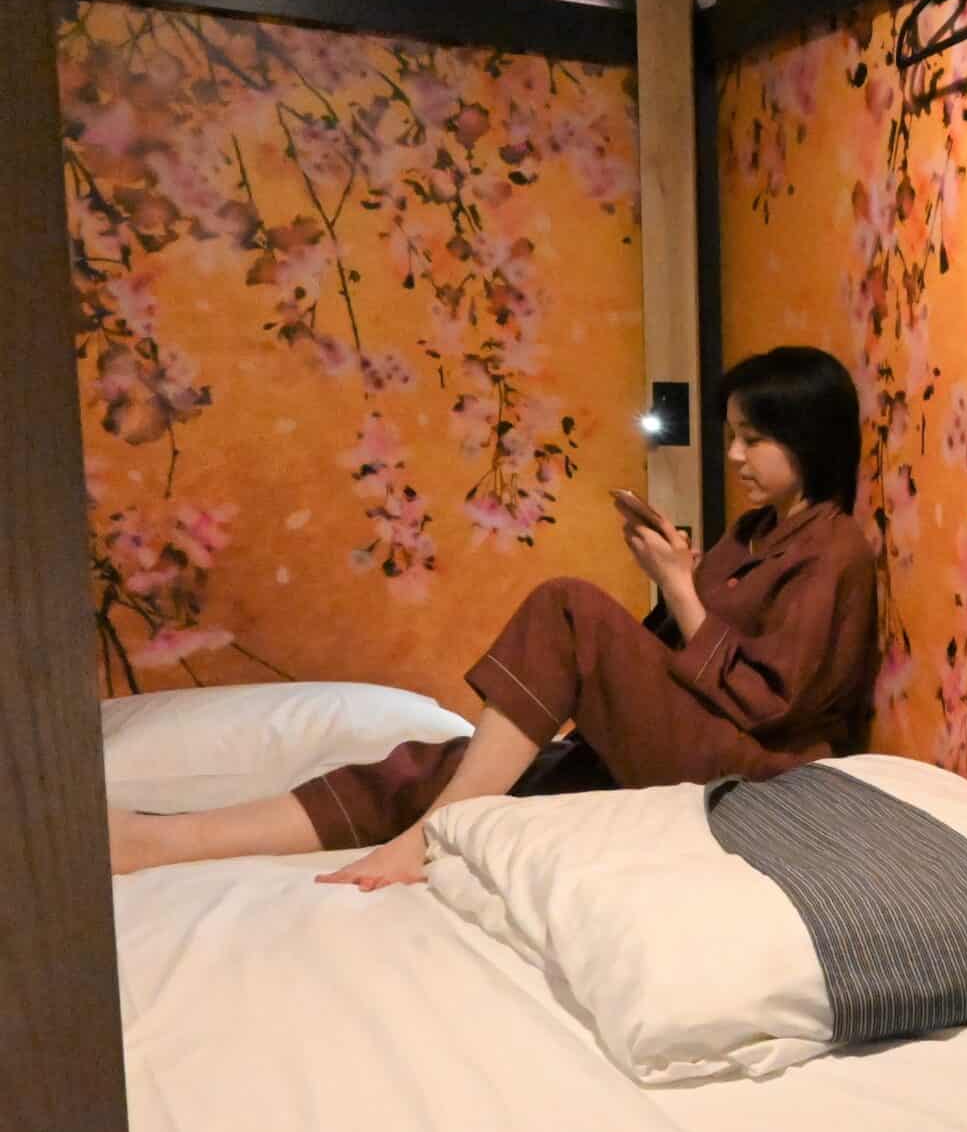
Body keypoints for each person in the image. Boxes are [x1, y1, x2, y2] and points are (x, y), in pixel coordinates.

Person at [109, 345, 878, 886]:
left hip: (755, 774)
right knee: (440, 765)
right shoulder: (752, 532)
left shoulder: (835, 548)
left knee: (569, 607)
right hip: (692, 736)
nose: (736, 456)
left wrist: (680, 586)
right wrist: (677, 579)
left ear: (808, 439)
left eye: (754, 439)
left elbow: (772, 703)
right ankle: (165, 838)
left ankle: (434, 836)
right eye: (733, 437)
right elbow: (683, 650)